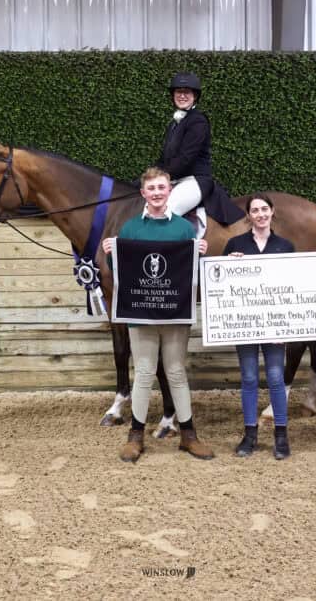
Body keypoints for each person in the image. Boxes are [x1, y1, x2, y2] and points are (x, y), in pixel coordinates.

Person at [102, 167, 213, 463]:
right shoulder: (129, 229)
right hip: (141, 314)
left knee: (176, 371)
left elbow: (188, 273)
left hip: (174, 313)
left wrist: (199, 253)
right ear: (143, 193)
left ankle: (189, 435)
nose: (157, 193)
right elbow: (120, 274)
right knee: (144, 372)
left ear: (169, 191)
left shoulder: (183, 229)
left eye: (161, 188)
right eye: (151, 188)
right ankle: (135, 436)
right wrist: (112, 254)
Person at [224, 194, 295, 459]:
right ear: (249, 216)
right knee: (250, 378)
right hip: (246, 324)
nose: (261, 214)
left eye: (265, 209)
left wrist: (286, 325)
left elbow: (293, 287)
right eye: (255, 210)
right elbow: (222, 285)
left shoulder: (285, 246)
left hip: (275, 324)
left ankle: (281, 435)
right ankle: (250, 434)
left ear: (272, 212)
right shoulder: (235, 244)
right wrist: (230, 265)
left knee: (276, 378)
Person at [157, 72, 244, 236]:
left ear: (195, 96)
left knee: (167, 209)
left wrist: (163, 176)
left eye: (187, 92)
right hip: (177, 180)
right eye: (178, 92)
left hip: (195, 180)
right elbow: (164, 159)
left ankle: (179, 253)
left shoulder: (198, 121)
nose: (182, 96)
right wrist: (147, 177)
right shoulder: (175, 123)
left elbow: (186, 158)